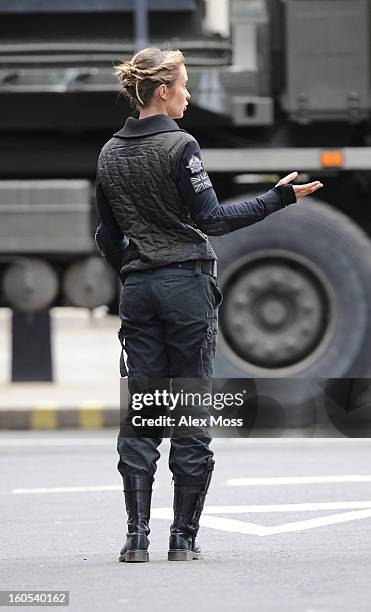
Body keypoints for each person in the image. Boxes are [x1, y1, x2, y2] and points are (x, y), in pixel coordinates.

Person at [95, 47, 323, 563]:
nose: (189, 93)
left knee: (143, 411)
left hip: (139, 289)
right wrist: (278, 198)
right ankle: (182, 538)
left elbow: (108, 236)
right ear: (161, 92)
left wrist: (136, 270)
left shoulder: (108, 152)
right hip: (186, 287)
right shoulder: (181, 145)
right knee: (190, 409)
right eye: (184, 85)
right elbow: (213, 219)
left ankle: (135, 539)